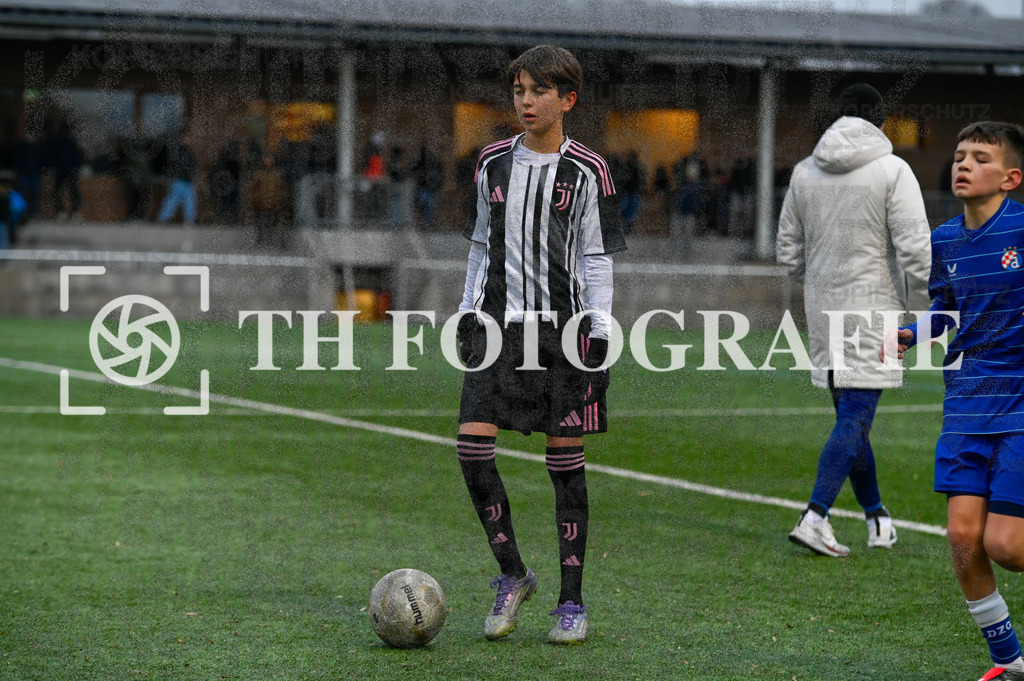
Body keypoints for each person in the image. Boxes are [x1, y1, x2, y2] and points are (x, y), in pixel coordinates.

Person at [455, 45, 625, 645]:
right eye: (520, 90)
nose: (526, 101)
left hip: (564, 335)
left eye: (539, 91)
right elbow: (480, 244)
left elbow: (596, 258)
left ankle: (571, 602)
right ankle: (512, 575)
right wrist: (467, 310)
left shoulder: (589, 171)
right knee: (471, 451)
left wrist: (600, 328)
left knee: (564, 467)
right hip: (499, 328)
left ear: (568, 99)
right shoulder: (491, 163)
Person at [882, 121, 1024, 681]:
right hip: (965, 403)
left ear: (1011, 177)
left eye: (980, 158)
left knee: (1008, 546)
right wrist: (912, 333)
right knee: (965, 540)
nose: (963, 164)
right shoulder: (942, 241)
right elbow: (948, 307)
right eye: (959, 155)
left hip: (1019, 404)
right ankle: (1008, 659)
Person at [776, 83, 931, 557]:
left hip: (822, 312)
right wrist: (926, 309)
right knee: (857, 419)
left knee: (851, 420)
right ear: (881, 122)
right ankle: (815, 515)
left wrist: (821, 280)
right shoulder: (893, 169)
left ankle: (877, 517)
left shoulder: (804, 171)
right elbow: (915, 249)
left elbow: (788, 253)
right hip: (872, 309)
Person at [157, 133, 197, 225]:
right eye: (187, 138)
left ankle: (189, 219)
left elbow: (191, 166)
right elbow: (176, 166)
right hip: (179, 180)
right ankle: (163, 219)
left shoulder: (186, 152)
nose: (188, 141)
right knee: (172, 200)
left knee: (188, 201)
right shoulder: (179, 152)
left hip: (186, 180)